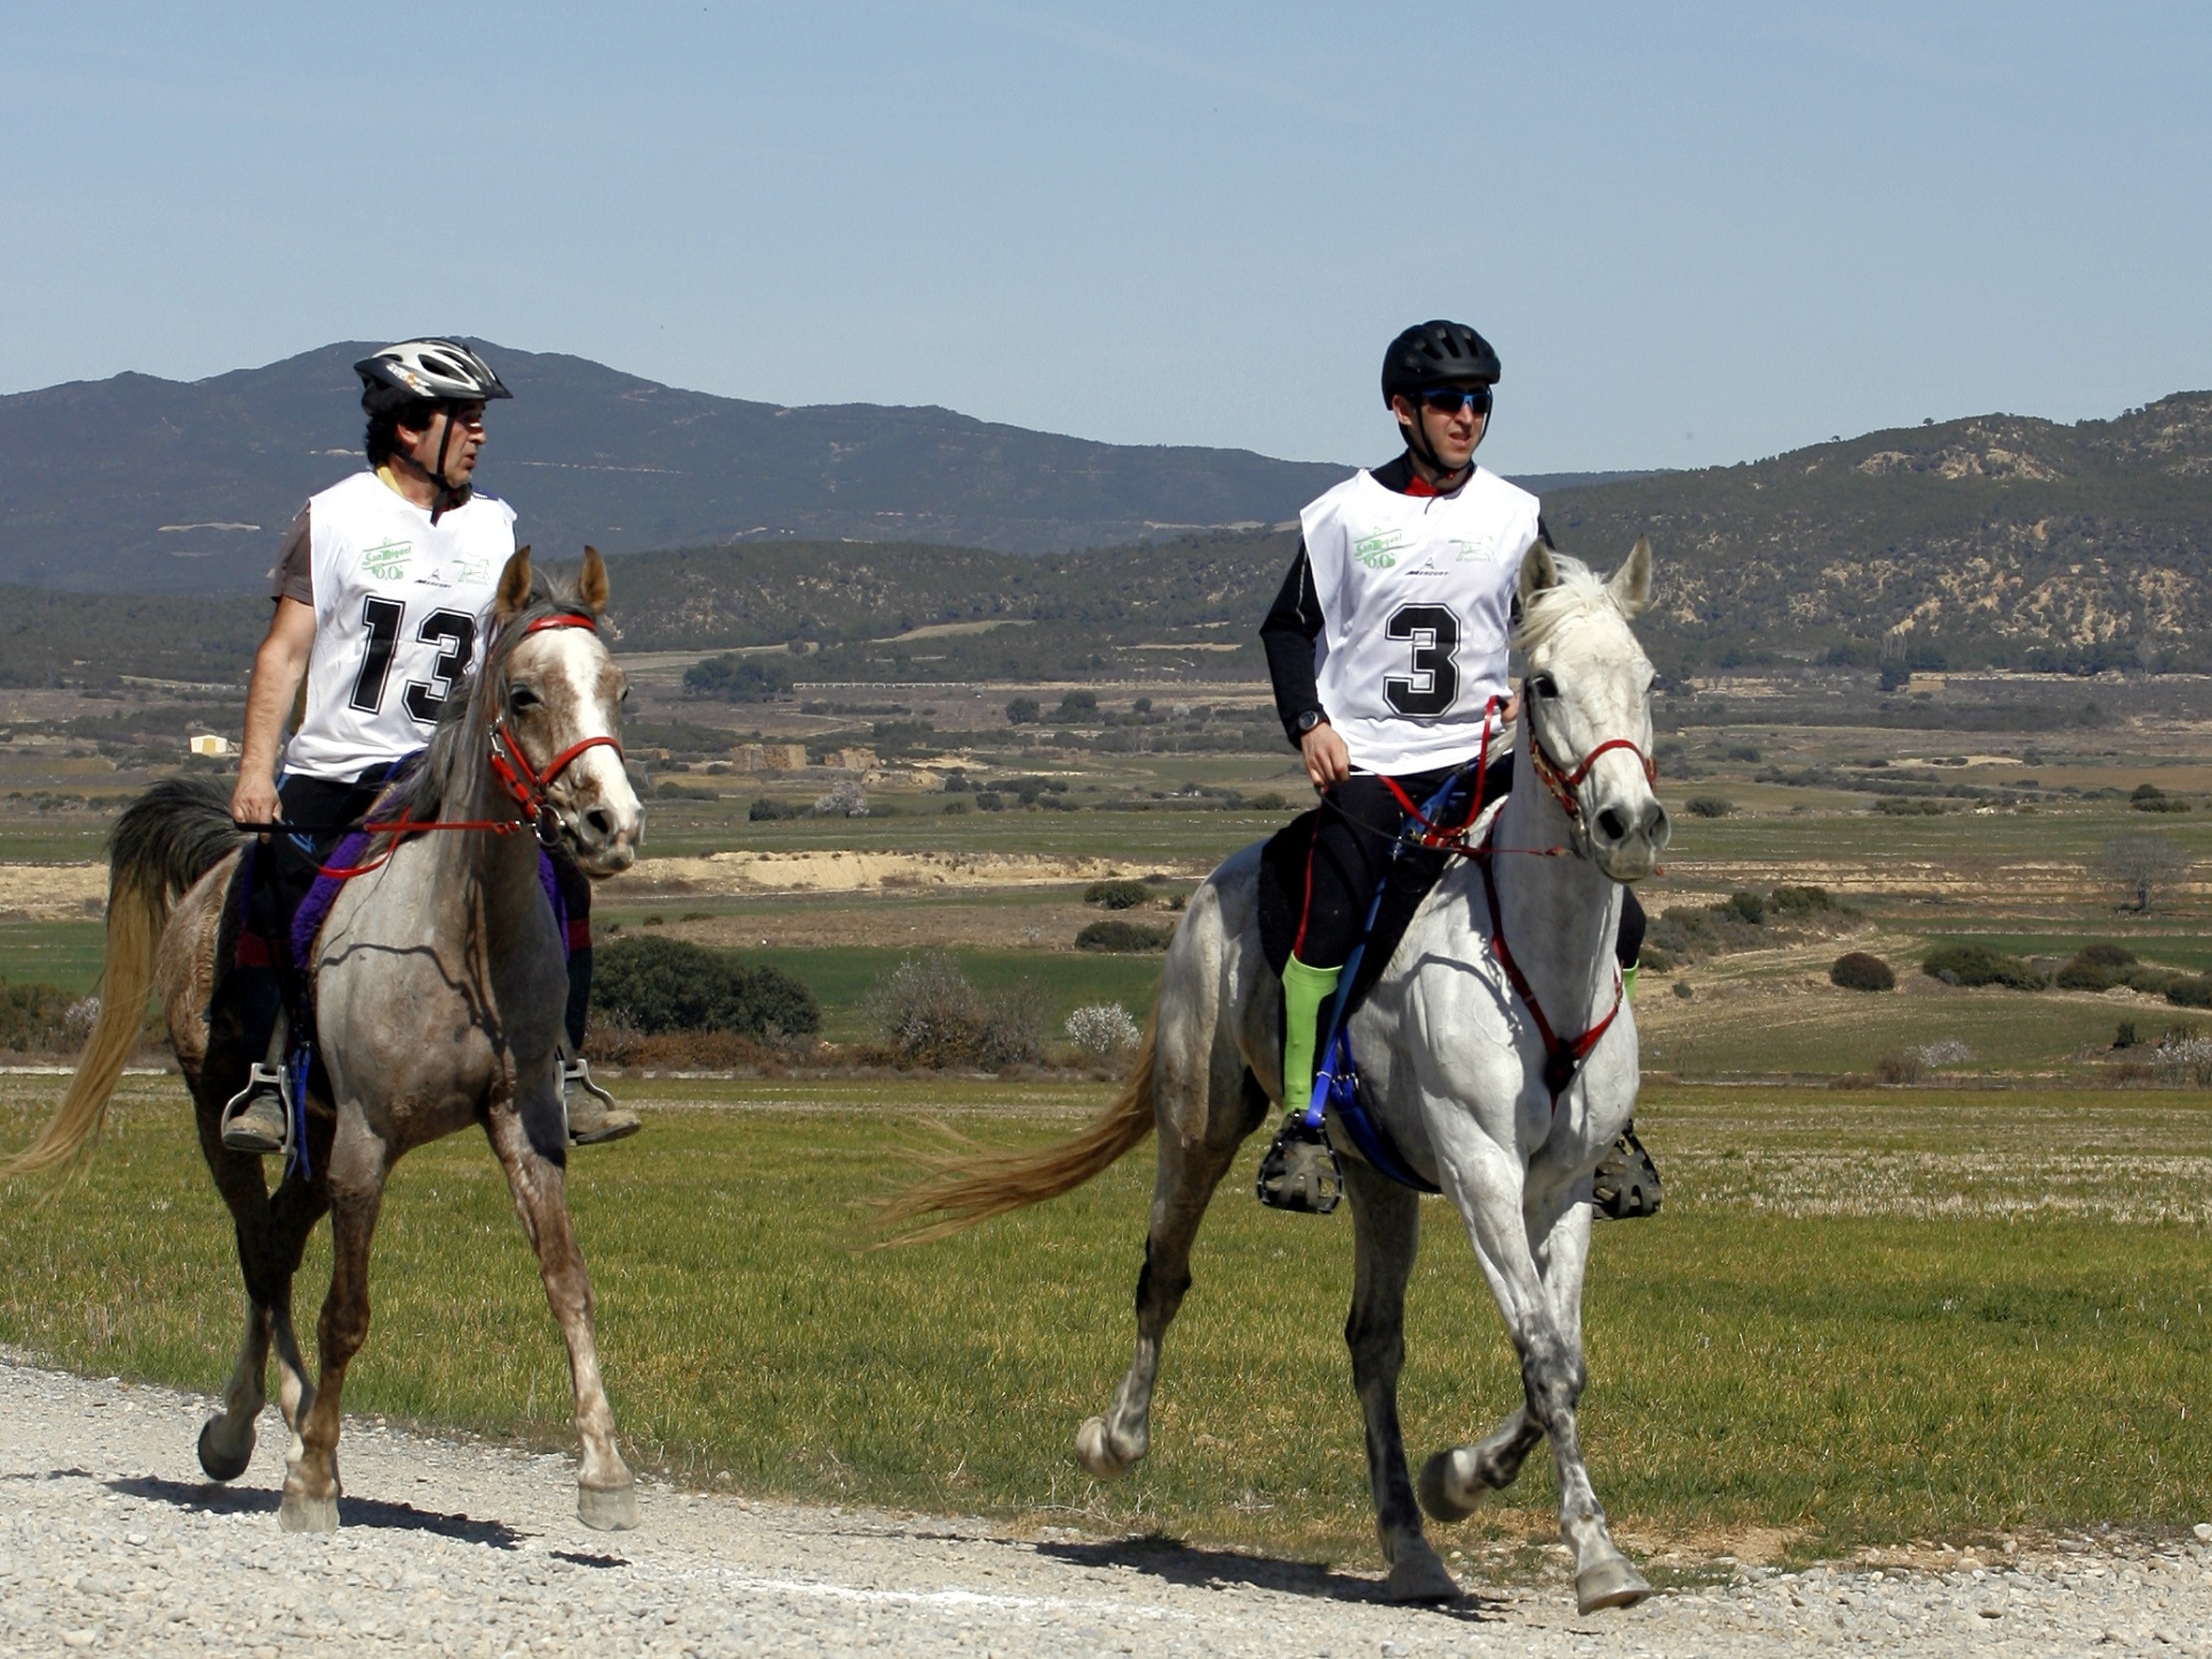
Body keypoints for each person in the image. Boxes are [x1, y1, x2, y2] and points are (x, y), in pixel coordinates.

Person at [1258, 319, 1657, 1217]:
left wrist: (1531, 694)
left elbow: (1555, 621)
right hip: (1374, 766)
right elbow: (1287, 628)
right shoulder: (1344, 515)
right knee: (1330, 924)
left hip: (1486, 762)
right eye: (1448, 401)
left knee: (1616, 916)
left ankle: (1604, 1128)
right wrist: (1307, 724)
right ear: (1403, 410)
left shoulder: (1517, 516)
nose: (1467, 416)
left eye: (1481, 401)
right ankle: (1303, 1122)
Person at [216, 338, 638, 1153]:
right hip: (343, 763)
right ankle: (268, 1078)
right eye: (465, 419)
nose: (479, 435)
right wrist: (255, 771)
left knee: (563, 882)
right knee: (273, 881)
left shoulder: (496, 526)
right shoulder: (333, 517)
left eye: (481, 420)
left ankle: (566, 1066)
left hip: (449, 769)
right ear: (409, 428)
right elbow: (285, 652)